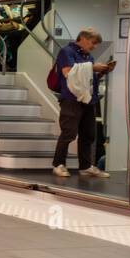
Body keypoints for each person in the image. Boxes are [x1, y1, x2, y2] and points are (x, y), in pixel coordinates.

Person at [52, 27, 114, 178]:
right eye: (93, 43)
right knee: (69, 133)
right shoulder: (67, 52)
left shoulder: (88, 57)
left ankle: (85, 166)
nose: (94, 47)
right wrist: (93, 67)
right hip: (71, 99)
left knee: (88, 135)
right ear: (83, 38)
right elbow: (68, 73)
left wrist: (101, 72)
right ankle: (58, 165)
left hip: (88, 99)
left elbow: (87, 79)